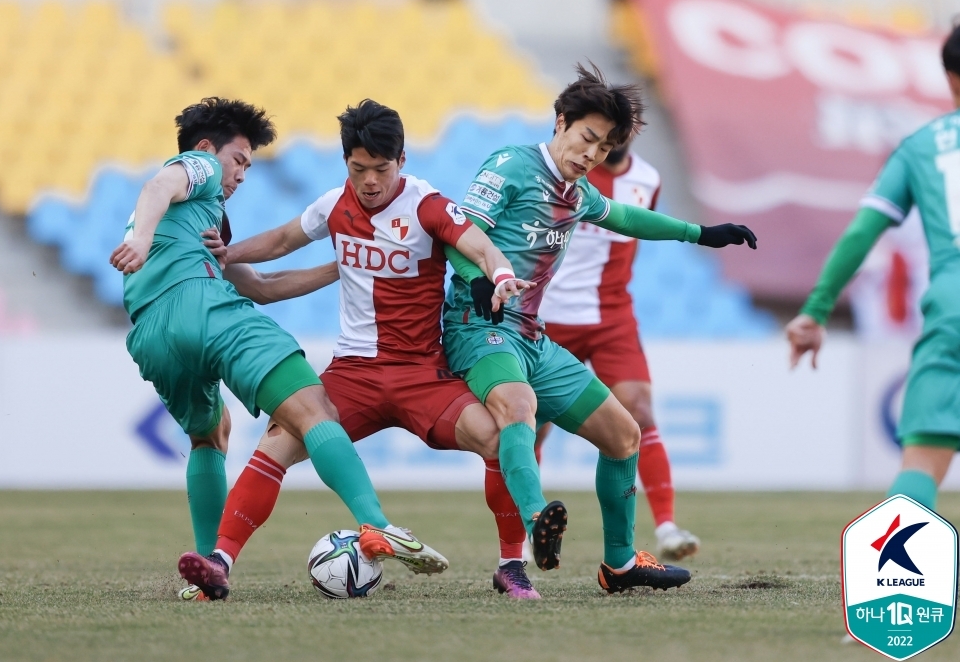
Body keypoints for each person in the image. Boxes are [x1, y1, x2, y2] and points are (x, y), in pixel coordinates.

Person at [177, 99, 543, 601]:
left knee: (498, 441)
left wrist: (501, 275)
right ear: (346, 163)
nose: (370, 181)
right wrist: (228, 252)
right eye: (358, 168)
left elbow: (478, 245)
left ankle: (510, 566)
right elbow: (284, 239)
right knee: (277, 441)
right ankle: (218, 563)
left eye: (381, 169)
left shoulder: (426, 204)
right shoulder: (334, 205)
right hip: (354, 374)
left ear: (402, 161)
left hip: (421, 373)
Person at [109, 97, 446, 601]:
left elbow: (262, 286)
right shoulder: (196, 166)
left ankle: (210, 568)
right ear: (207, 149)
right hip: (202, 307)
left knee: (210, 435)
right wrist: (140, 236)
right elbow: (160, 185)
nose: (243, 174)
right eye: (240, 160)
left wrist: (350, 265)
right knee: (313, 408)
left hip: (151, 335)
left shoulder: (204, 225)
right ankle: (375, 525)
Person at [442, 63, 757, 593]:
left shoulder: (579, 193)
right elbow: (460, 231)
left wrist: (700, 232)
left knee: (623, 433)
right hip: (479, 325)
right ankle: (540, 520)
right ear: (561, 122)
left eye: (604, 147)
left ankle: (620, 564)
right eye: (586, 138)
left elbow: (630, 219)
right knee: (519, 409)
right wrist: (477, 278)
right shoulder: (511, 165)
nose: (591, 155)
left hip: (532, 337)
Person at [786, 25, 960, 512]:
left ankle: (901, 578)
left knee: (922, 462)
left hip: (952, 307)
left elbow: (862, 231)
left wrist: (816, 310)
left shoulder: (921, 145)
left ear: (951, 79)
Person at [537, 140, 700, 561]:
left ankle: (666, 526)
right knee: (530, 423)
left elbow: (638, 227)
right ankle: (524, 535)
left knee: (640, 414)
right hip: (550, 315)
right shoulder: (570, 170)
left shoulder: (648, 178)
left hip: (612, 317)